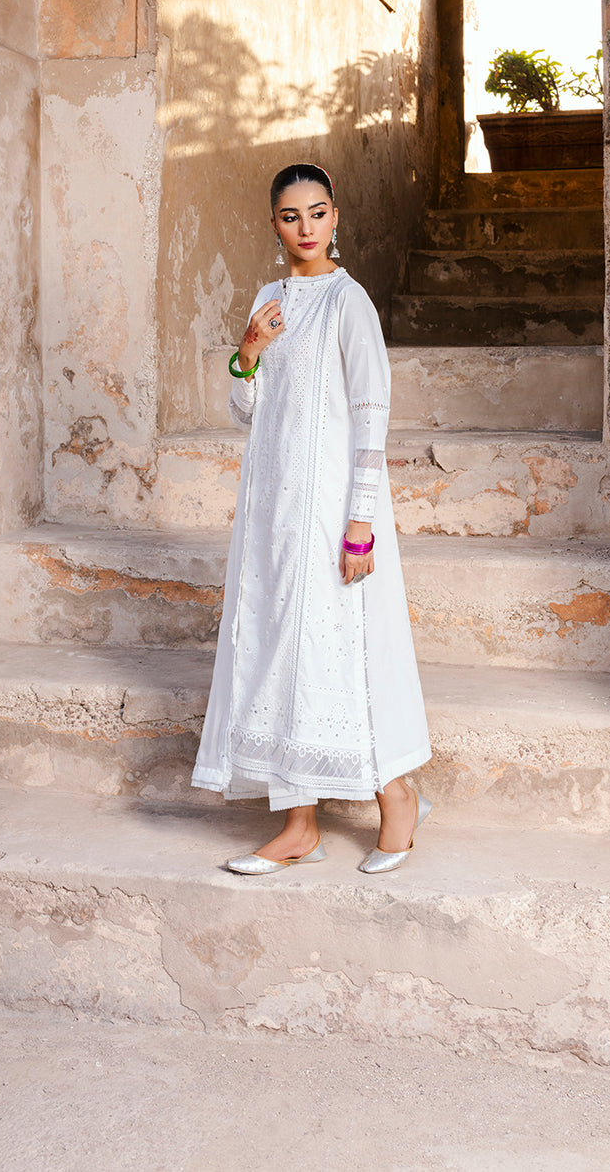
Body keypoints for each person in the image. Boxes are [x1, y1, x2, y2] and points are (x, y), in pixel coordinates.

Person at [191, 163, 431, 874]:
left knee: (342, 648)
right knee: (278, 649)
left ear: (335, 218)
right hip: (273, 509)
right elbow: (248, 412)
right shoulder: (269, 300)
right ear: (274, 224)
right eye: (291, 216)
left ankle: (397, 798)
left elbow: (371, 414)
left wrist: (361, 523)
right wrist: (247, 354)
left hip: (333, 510)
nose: (305, 227)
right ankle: (299, 825)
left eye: (317, 213)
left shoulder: (348, 302)